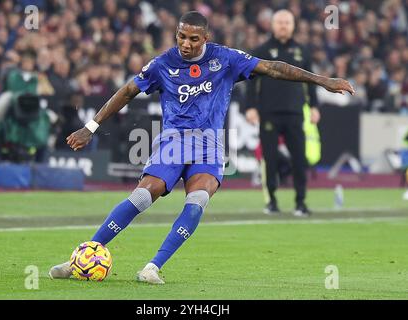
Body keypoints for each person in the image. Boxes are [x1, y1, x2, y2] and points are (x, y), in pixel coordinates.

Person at [49, 11, 354, 284]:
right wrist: (91, 127)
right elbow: (128, 91)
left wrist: (322, 81)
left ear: (205, 38)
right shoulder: (163, 63)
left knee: (197, 199)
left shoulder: (226, 58)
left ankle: (153, 267)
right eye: (181, 36)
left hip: (208, 145)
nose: (186, 43)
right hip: (172, 141)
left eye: (194, 38)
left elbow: (273, 67)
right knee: (144, 195)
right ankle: (82, 256)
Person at [245, 10, 321, 217]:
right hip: (268, 112)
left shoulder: (302, 51)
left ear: (294, 25)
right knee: (269, 159)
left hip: (296, 112)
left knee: (299, 159)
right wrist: (250, 107)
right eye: (279, 22)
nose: (283, 26)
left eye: (287, 22)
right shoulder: (261, 49)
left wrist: (314, 106)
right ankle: (271, 201)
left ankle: (301, 202)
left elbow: (312, 82)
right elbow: (251, 81)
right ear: (272, 25)